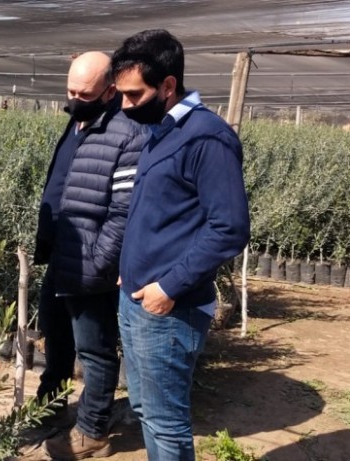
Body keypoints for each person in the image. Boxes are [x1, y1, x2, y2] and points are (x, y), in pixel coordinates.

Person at [112, 29, 250, 460]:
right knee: (144, 409)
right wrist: (130, 265)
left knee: (165, 423)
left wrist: (169, 286)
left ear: (168, 86)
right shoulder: (162, 130)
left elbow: (229, 227)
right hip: (136, 297)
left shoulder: (206, 138)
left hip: (169, 308)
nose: (124, 106)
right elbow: (162, 213)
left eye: (134, 95)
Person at [36, 52, 149, 460]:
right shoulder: (77, 122)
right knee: (57, 341)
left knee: (95, 350)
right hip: (61, 257)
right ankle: (51, 410)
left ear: (109, 91)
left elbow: (123, 211)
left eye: (84, 93)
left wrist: (102, 262)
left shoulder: (126, 135)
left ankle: (92, 430)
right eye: (70, 91)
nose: (74, 98)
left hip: (92, 265)